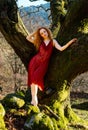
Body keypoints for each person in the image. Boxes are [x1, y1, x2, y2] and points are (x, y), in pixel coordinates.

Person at [26, 27, 77, 106]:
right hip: (35, 62)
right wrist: (36, 32)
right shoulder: (39, 41)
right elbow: (28, 38)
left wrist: (70, 42)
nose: (44, 34)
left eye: (44, 32)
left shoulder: (53, 41)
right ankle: (34, 99)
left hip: (44, 64)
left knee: (35, 78)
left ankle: (34, 99)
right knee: (33, 80)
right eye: (41, 33)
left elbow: (61, 48)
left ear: (47, 31)